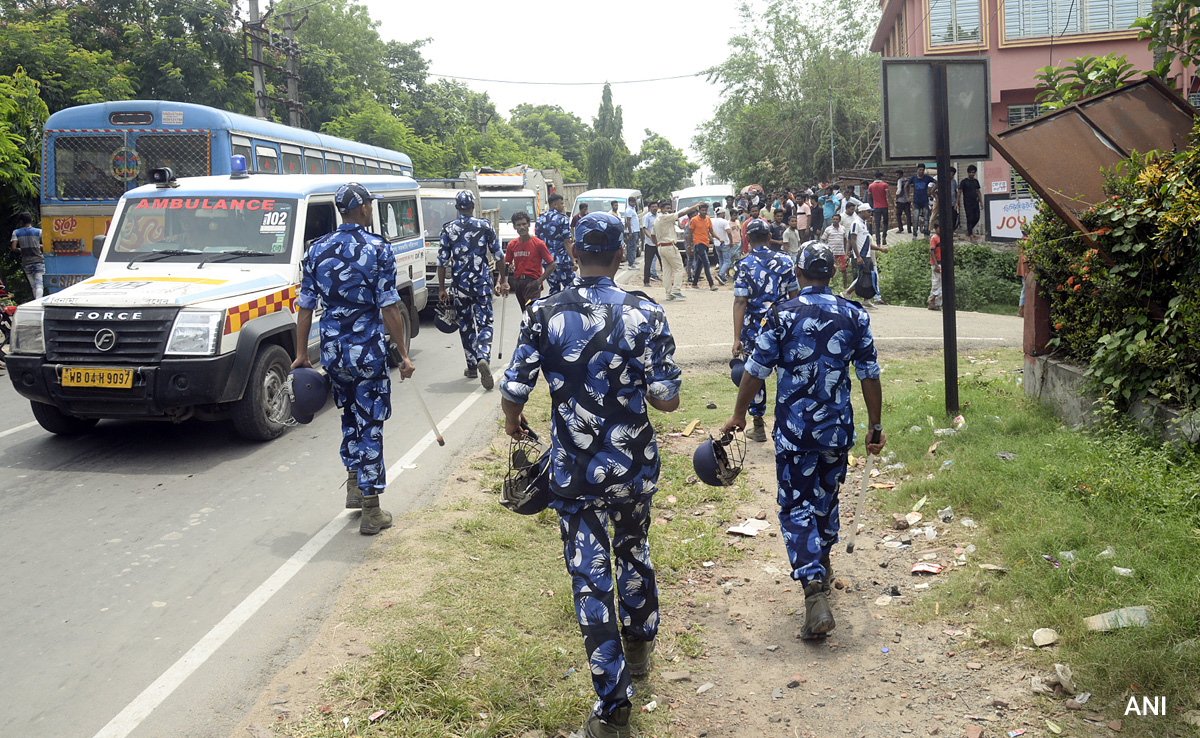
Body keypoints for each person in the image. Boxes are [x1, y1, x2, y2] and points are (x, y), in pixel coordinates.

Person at [500, 211, 681, 738]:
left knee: (590, 577)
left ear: (573, 255)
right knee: (633, 547)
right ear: (621, 256)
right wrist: (638, 387)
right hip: (632, 465)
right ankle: (641, 643)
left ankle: (613, 706)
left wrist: (515, 424)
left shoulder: (545, 312)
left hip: (576, 471)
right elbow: (668, 401)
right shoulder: (646, 314)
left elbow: (514, 390)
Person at [721, 240, 885, 640]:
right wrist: (875, 426)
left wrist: (740, 414)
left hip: (796, 434)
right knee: (827, 498)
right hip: (836, 430)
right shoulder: (854, 314)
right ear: (833, 273)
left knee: (796, 505)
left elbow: (756, 370)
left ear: (797, 273)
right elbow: (869, 374)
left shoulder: (781, 315)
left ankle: (813, 589)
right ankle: (823, 561)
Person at [292, 183, 416, 535]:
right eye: (370, 205)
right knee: (371, 422)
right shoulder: (377, 248)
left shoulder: (316, 249)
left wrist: (302, 354)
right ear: (362, 209)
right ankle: (371, 510)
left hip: (333, 352)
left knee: (349, 416)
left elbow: (304, 308)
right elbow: (390, 306)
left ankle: (353, 486)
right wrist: (403, 355)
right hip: (367, 354)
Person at [732, 219, 799, 443]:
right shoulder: (786, 261)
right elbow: (794, 297)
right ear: (770, 238)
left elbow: (740, 301)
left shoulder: (743, 264)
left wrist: (736, 338)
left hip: (754, 330)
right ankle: (787, 422)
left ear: (748, 239)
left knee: (755, 375)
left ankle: (758, 425)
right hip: (783, 325)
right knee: (786, 372)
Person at [438, 190, 503, 389]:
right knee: (485, 324)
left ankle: (473, 366)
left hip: (460, 288)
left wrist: (441, 288)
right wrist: (504, 279)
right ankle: (483, 357)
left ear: (457, 208)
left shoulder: (448, 229)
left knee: (466, 327)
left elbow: (442, 262)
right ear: (473, 207)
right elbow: (498, 255)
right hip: (482, 285)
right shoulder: (484, 226)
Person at [504, 211, 555, 309]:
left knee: (531, 311)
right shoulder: (512, 245)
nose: (522, 227)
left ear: (529, 225)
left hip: (532, 282)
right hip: (518, 282)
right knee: (524, 311)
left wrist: (539, 281)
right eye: (518, 225)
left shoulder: (538, 244)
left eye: (524, 224)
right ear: (514, 227)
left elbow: (552, 265)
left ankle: (535, 324)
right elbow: (506, 265)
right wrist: (501, 282)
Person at [652, 202, 700, 301]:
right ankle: (676, 289)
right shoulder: (665, 217)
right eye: (667, 208)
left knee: (667, 271)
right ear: (661, 209)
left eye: (670, 208)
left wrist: (657, 245)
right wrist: (693, 207)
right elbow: (681, 214)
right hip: (669, 246)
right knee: (679, 267)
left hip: (662, 246)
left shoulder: (657, 220)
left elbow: (653, 235)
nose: (669, 210)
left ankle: (668, 293)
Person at [536, 193, 576, 296]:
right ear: (555, 205)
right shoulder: (562, 219)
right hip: (561, 259)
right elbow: (567, 241)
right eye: (561, 203)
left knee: (554, 288)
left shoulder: (540, 219)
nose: (563, 206)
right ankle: (568, 308)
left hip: (547, 261)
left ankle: (555, 308)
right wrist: (573, 260)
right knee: (571, 286)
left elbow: (538, 241)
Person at [10, 212, 44, 300]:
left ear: (21, 222)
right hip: (39, 260)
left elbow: (13, 248)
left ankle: (35, 302)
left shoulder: (16, 232)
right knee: (39, 284)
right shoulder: (38, 231)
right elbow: (46, 245)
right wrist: (38, 246)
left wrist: (21, 249)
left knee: (33, 286)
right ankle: (38, 301)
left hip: (26, 262)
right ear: (31, 220)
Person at [688, 202, 718, 291]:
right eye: (702, 210)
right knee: (706, 263)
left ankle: (694, 283)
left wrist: (717, 238)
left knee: (699, 264)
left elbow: (711, 231)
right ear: (699, 210)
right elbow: (690, 234)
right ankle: (711, 284)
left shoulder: (708, 219)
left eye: (705, 210)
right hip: (698, 244)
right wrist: (689, 246)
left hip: (706, 243)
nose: (704, 212)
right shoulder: (694, 220)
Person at [820, 212, 849, 291]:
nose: (835, 220)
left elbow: (846, 240)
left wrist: (847, 252)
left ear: (839, 220)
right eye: (834, 219)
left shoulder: (843, 229)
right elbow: (823, 239)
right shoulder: (828, 229)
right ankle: (830, 286)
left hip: (841, 253)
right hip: (831, 254)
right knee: (831, 270)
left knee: (843, 271)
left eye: (836, 219)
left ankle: (845, 287)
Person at [906, 164, 937, 237]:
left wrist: (932, 191)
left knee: (926, 218)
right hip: (916, 201)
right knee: (915, 219)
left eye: (922, 170)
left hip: (925, 201)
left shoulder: (927, 178)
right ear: (917, 170)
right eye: (920, 170)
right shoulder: (913, 178)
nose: (921, 171)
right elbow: (906, 185)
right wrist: (907, 196)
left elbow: (937, 183)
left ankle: (926, 233)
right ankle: (914, 234)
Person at [961, 164, 983, 244]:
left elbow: (978, 192)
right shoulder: (964, 182)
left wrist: (981, 202)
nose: (971, 174)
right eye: (970, 172)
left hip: (975, 202)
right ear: (968, 173)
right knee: (969, 218)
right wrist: (957, 203)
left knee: (977, 217)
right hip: (967, 203)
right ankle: (971, 235)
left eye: (973, 172)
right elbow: (959, 193)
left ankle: (969, 230)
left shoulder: (976, 182)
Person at [867, 172, 891, 246]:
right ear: (881, 177)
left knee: (877, 225)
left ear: (875, 177)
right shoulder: (885, 185)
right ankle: (884, 236)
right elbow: (888, 195)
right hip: (884, 206)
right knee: (885, 222)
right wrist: (892, 204)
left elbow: (869, 198)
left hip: (876, 207)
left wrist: (869, 207)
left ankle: (878, 242)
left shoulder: (871, 186)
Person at [641, 201, 660, 286]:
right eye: (653, 207)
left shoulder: (659, 216)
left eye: (656, 206)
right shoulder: (646, 217)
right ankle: (646, 281)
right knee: (648, 263)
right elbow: (645, 229)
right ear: (649, 208)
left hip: (659, 243)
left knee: (664, 261)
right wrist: (651, 237)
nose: (654, 208)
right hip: (650, 244)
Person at [711, 208, 732, 283]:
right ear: (722, 213)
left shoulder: (712, 221)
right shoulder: (724, 221)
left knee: (721, 261)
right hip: (724, 243)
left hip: (716, 243)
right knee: (727, 261)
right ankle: (720, 274)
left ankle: (722, 278)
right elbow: (729, 232)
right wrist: (731, 241)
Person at [928, 222, 943, 310]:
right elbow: (932, 252)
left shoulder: (942, 237)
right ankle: (932, 299)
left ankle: (935, 303)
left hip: (941, 262)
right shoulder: (934, 238)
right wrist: (936, 265)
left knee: (940, 283)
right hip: (937, 263)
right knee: (937, 283)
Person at [623, 196, 640, 268]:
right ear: (629, 202)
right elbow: (628, 222)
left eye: (634, 202)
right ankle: (630, 264)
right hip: (632, 231)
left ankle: (632, 261)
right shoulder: (629, 210)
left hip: (635, 230)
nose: (633, 203)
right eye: (632, 202)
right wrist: (630, 232)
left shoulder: (633, 209)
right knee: (631, 247)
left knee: (634, 247)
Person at [894, 169, 911, 234]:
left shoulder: (900, 180)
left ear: (901, 175)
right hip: (907, 200)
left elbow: (899, 189)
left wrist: (897, 196)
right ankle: (909, 229)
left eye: (897, 175)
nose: (896, 176)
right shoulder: (907, 180)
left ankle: (900, 228)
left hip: (900, 200)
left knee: (898, 215)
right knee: (908, 215)